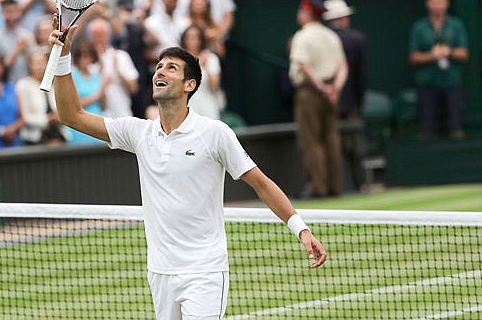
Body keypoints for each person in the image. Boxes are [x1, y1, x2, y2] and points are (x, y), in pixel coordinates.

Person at [50, 18, 327, 319]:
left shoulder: (215, 133)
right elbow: (71, 116)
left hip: (205, 271)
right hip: (160, 272)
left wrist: (301, 229)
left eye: (171, 68)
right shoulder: (139, 132)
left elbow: (261, 183)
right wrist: (63, 57)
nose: (160, 71)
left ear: (189, 85)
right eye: (159, 66)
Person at [289, 0, 348, 198]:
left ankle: (318, 188)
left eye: (301, 11)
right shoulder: (332, 35)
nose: (298, 14)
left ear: (307, 14)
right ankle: (334, 186)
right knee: (331, 138)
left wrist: (322, 88)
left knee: (311, 140)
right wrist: (335, 89)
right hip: (330, 94)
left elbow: (304, 66)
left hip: (311, 93)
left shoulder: (302, 36)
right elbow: (342, 67)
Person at [408, 0, 469, 140]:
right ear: (427, 3)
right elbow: (413, 57)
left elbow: (464, 53)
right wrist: (432, 55)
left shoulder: (456, 25)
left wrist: (449, 52)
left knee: (456, 129)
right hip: (427, 83)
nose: (438, 4)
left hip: (452, 82)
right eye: (434, 1)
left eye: (441, 0)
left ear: (447, 3)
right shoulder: (419, 27)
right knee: (426, 130)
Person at [323, 0, 367, 119]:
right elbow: (360, 76)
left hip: (323, 102)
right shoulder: (357, 39)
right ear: (343, 18)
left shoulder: (319, 40)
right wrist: (357, 103)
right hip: (349, 104)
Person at [87, 17, 139, 117]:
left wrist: (117, 70)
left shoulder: (121, 56)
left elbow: (134, 88)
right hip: (95, 116)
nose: (98, 39)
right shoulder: (84, 59)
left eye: (101, 35)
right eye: (95, 35)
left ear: (109, 36)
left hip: (121, 114)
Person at [16, 51, 65, 146]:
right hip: (34, 138)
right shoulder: (23, 85)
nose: (40, 67)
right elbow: (24, 117)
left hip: (58, 135)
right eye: (36, 63)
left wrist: (59, 116)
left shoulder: (55, 83)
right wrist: (48, 119)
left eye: (43, 62)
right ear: (30, 66)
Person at [0, 0, 36, 83]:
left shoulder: (27, 35)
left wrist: (26, 50)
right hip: (4, 85)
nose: (11, 15)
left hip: (27, 83)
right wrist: (17, 50)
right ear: (2, 13)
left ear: (19, 12)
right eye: (8, 11)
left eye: (14, 11)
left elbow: (35, 63)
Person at [66, 40, 105, 144]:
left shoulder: (96, 75)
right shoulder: (72, 75)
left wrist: (103, 92)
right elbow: (74, 104)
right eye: (82, 56)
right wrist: (97, 95)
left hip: (98, 124)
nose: (85, 59)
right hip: (81, 127)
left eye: (88, 55)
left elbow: (104, 105)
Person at [181, 24, 223, 120]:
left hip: (207, 104)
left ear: (201, 40)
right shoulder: (179, 60)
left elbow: (214, 86)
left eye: (195, 37)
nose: (192, 41)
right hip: (185, 105)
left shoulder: (211, 58)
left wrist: (205, 65)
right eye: (189, 37)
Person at [144, 0, 190, 65]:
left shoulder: (185, 23)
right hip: (158, 65)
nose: (172, 3)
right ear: (162, 0)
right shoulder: (150, 23)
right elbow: (146, 51)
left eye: (174, 0)